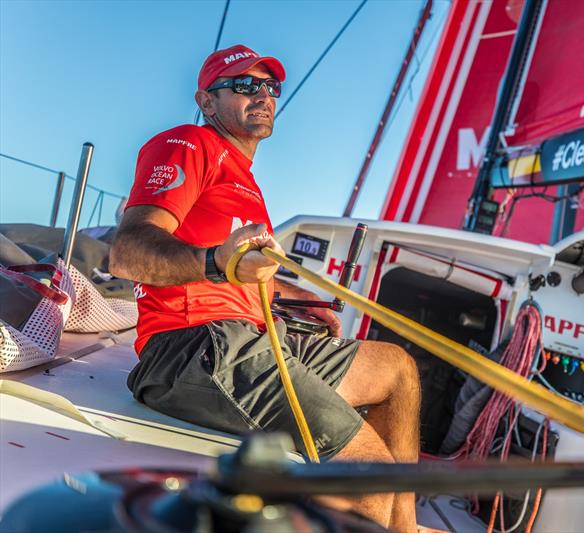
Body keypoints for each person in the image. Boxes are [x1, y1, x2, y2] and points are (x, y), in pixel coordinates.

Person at [109, 44, 420, 532]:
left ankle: (402, 526)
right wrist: (216, 261)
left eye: (270, 86)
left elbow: (240, 273)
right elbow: (126, 253)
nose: (263, 95)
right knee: (365, 470)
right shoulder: (188, 144)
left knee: (397, 369)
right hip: (194, 347)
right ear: (207, 101)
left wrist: (290, 298)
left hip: (247, 335)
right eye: (244, 85)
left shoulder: (246, 180)